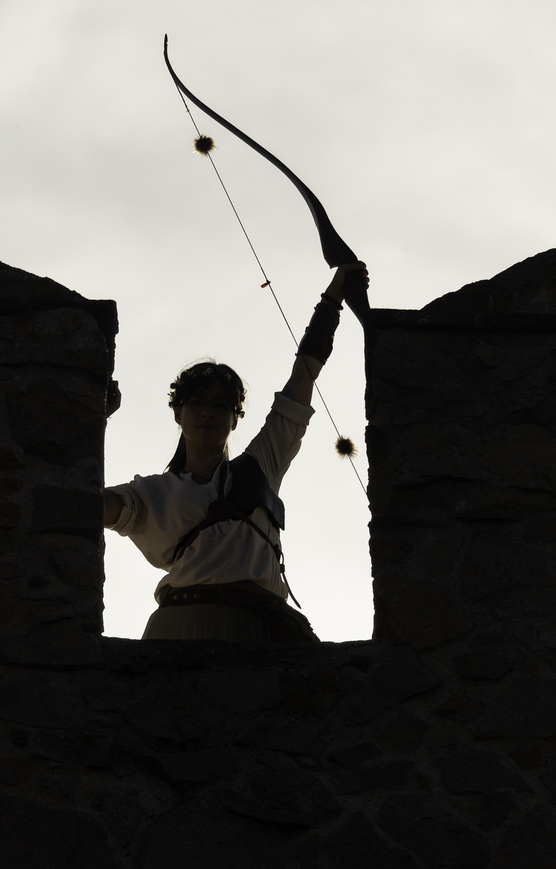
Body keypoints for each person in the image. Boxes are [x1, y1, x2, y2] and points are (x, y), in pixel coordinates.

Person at [103, 262, 368, 642]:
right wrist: (95, 421)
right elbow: (92, 505)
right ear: (178, 413)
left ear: (235, 418)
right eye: (196, 403)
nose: (208, 412)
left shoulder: (262, 464)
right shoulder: (152, 493)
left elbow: (303, 377)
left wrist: (333, 298)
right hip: (182, 628)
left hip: (261, 627)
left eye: (221, 405)